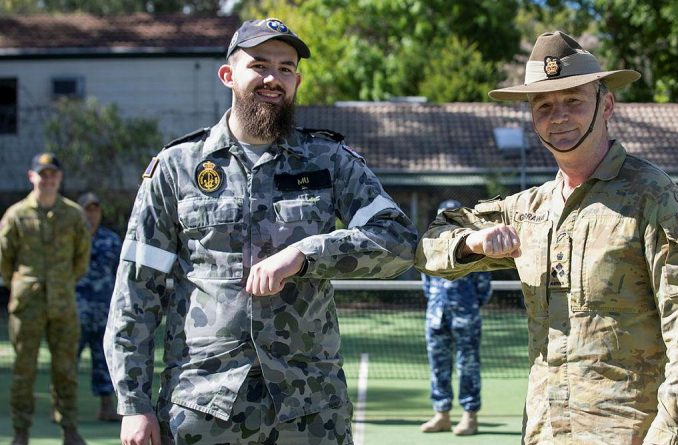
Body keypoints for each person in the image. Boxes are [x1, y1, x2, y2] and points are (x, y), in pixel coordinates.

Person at [103, 17, 417, 445]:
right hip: (202, 407)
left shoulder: (328, 160)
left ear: (297, 81)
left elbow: (397, 241)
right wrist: (134, 404)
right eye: (260, 65)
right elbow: (136, 291)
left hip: (310, 409)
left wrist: (306, 255)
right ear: (228, 75)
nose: (273, 78)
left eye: (286, 68)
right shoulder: (177, 167)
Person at [415, 31, 678, 444]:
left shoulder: (653, 197)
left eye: (574, 101)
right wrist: (473, 242)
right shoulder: (530, 208)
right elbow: (429, 245)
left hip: (626, 431)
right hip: (544, 429)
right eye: (544, 106)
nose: (558, 116)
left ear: (606, 105)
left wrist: (667, 436)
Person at [0, 153, 91, 445]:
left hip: (63, 304)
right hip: (28, 306)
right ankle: (21, 431)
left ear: (60, 178)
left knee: (65, 370)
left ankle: (70, 429)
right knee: (24, 371)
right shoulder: (16, 215)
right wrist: (21, 284)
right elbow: (4, 260)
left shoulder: (74, 214)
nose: (48, 179)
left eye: (53, 174)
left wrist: (62, 283)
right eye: (43, 174)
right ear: (32, 176)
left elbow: (81, 260)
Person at [420, 199, 492, 436]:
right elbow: (427, 284)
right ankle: (442, 415)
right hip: (436, 318)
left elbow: (484, 287)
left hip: (465, 318)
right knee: (438, 367)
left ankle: (469, 417)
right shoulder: (430, 249)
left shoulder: (474, 250)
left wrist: (468, 306)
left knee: (467, 366)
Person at [75, 192, 122, 422]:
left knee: (104, 360)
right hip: (74, 312)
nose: (91, 214)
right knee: (67, 360)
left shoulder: (111, 240)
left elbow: (119, 273)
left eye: (95, 209)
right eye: (87, 209)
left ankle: (106, 407)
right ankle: (62, 407)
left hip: (103, 312)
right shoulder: (70, 238)